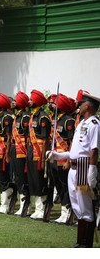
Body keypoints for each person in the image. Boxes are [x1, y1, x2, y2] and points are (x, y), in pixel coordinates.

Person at [48, 92, 99, 248]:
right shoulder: (81, 124)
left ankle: (86, 243)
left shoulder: (94, 124)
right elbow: (74, 151)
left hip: (84, 168)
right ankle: (80, 241)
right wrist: (57, 155)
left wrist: (91, 170)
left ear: (88, 106)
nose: (79, 105)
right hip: (74, 168)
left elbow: (94, 150)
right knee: (76, 205)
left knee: (84, 206)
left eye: (81, 103)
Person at [48, 93, 75, 224]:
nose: (52, 105)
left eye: (54, 103)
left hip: (64, 158)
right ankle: (63, 211)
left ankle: (67, 211)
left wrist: (69, 161)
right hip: (54, 158)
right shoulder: (55, 119)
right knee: (58, 185)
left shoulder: (69, 120)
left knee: (65, 186)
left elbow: (72, 142)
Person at [27, 89, 51, 220]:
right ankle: (37, 208)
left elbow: (46, 139)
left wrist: (42, 159)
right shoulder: (33, 116)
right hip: (32, 152)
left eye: (31, 99)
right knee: (33, 180)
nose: (29, 101)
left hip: (40, 152)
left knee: (40, 180)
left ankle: (42, 209)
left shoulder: (42, 117)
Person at [0, 93, 15, 214]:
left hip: (3, 151)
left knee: (4, 177)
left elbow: (9, 136)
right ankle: (4, 203)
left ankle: (5, 205)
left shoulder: (7, 117)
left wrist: (7, 154)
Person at [11, 91, 31, 216]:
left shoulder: (25, 117)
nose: (13, 102)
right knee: (17, 177)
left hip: (22, 152)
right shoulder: (17, 116)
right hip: (15, 149)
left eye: (15, 100)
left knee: (23, 178)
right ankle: (23, 204)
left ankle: (26, 205)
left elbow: (28, 137)